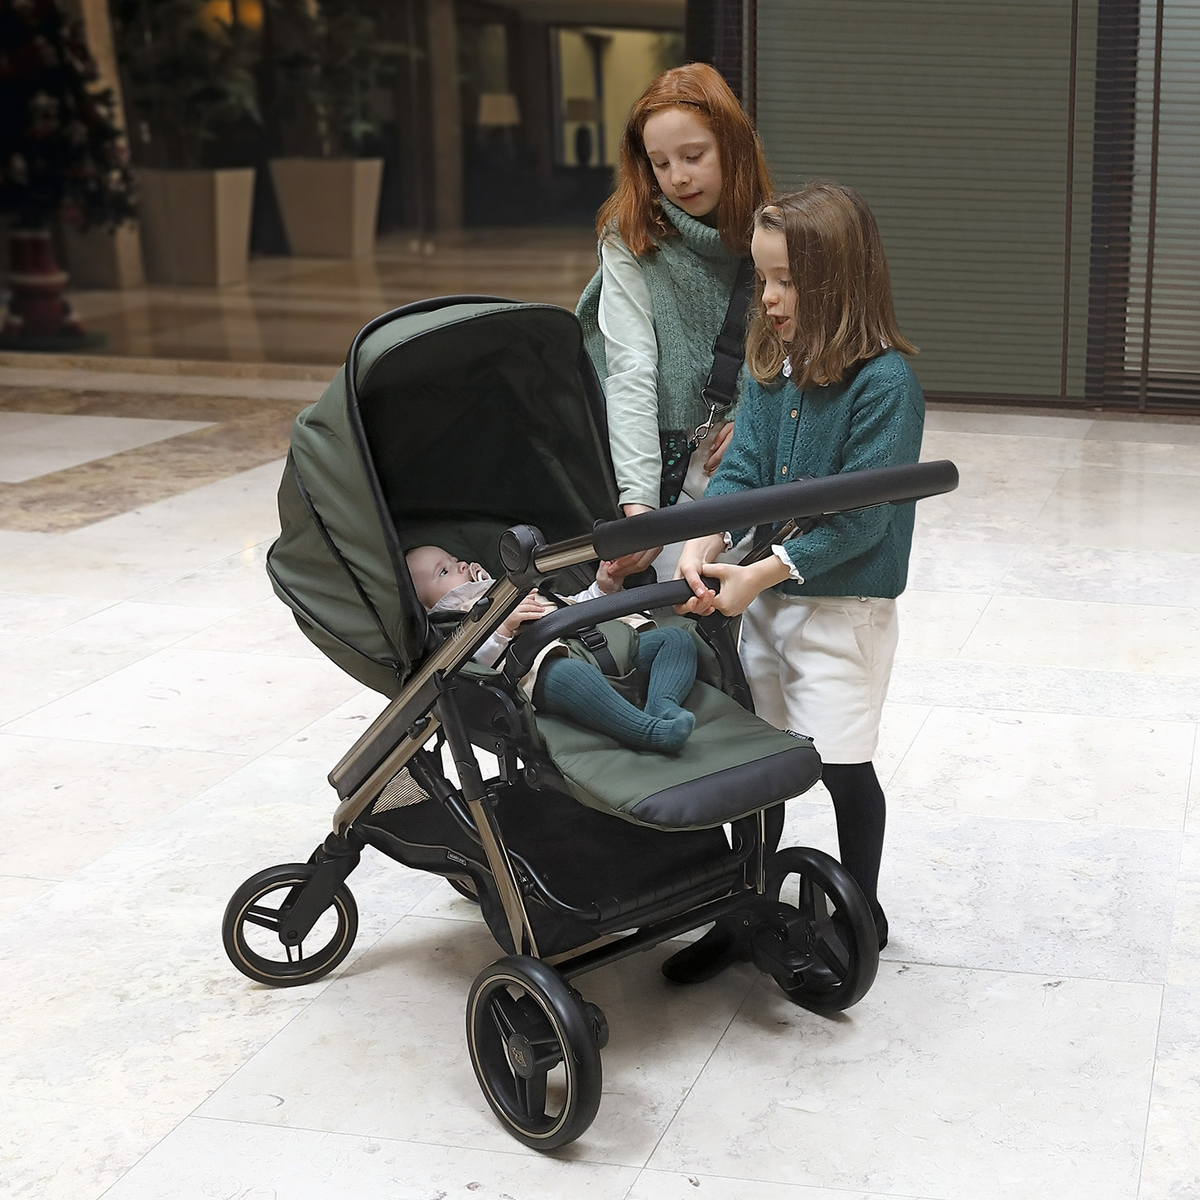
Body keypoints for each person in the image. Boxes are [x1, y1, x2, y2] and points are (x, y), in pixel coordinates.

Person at [673, 184, 925, 966]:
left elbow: (863, 519)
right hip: (769, 602)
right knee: (757, 767)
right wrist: (705, 534)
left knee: (843, 768)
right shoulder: (770, 365)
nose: (770, 298)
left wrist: (763, 572)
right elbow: (743, 466)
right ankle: (741, 911)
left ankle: (860, 916)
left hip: (842, 611)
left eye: (788, 281)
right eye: (763, 279)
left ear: (842, 281)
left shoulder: (885, 385)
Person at [575, 62, 773, 578]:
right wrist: (639, 503)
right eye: (659, 163)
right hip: (653, 454)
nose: (677, 177)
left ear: (732, 147)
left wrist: (753, 415)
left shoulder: (775, 228)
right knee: (666, 601)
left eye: (693, 155)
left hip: (742, 455)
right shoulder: (630, 235)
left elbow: (795, 347)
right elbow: (631, 369)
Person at [405, 545, 699, 753]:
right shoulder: (455, 623)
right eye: (443, 571)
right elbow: (474, 665)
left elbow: (568, 605)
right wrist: (503, 629)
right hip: (547, 669)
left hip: (600, 645)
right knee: (571, 676)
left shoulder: (511, 588)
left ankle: (662, 704)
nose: (460, 566)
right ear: (427, 607)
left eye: (454, 559)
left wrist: (602, 590)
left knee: (675, 639)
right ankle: (648, 732)